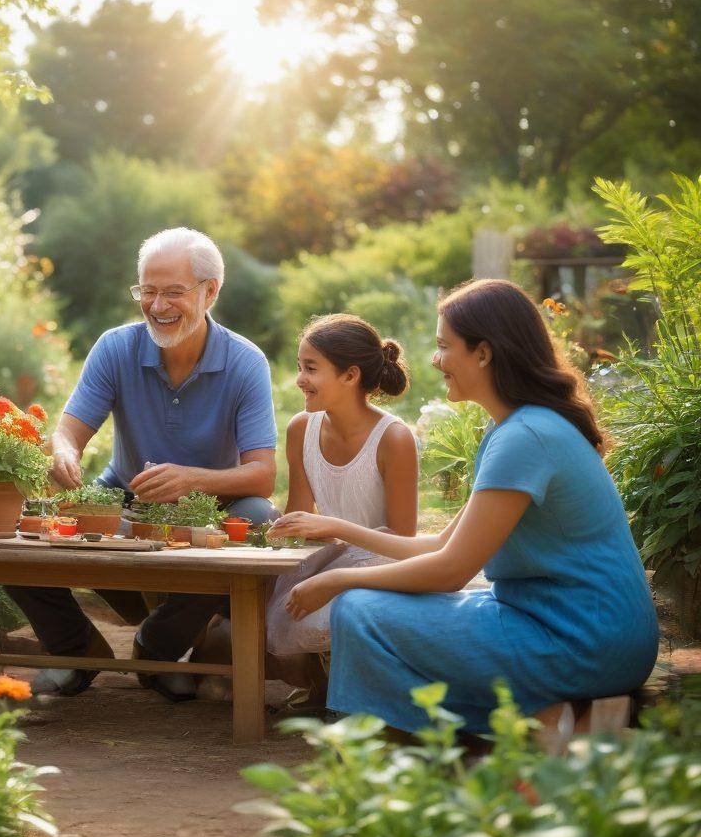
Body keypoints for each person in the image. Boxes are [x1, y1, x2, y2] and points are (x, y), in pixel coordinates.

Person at [282, 279, 659, 733]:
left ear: (483, 353)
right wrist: (343, 537)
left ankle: (413, 739)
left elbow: (451, 570)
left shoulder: (526, 437)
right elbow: (443, 544)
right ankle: (531, 721)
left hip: (584, 642)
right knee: (370, 605)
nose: (436, 360)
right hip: (576, 631)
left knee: (359, 610)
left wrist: (340, 579)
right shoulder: (514, 429)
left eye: (444, 347)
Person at [6, 227, 278, 700]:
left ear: (210, 291)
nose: (157, 305)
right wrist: (66, 451)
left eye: (173, 292)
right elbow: (70, 430)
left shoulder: (245, 362)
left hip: (208, 509)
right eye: (148, 291)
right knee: (10, 522)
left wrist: (192, 479)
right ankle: (76, 650)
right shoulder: (116, 347)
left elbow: (262, 473)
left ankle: (158, 648)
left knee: (258, 517)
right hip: (124, 501)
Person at [263, 314, 418, 704]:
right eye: (300, 367)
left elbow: (403, 538)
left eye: (311, 368)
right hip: (330, 555)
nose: (299, 379)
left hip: (385, 562)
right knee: (275, 617)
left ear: (350, 376)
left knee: (311, 618)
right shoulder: (302, 427)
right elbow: (300, 513)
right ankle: (325, 690)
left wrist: (330, 526)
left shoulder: (394, 438)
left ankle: (355, 696)